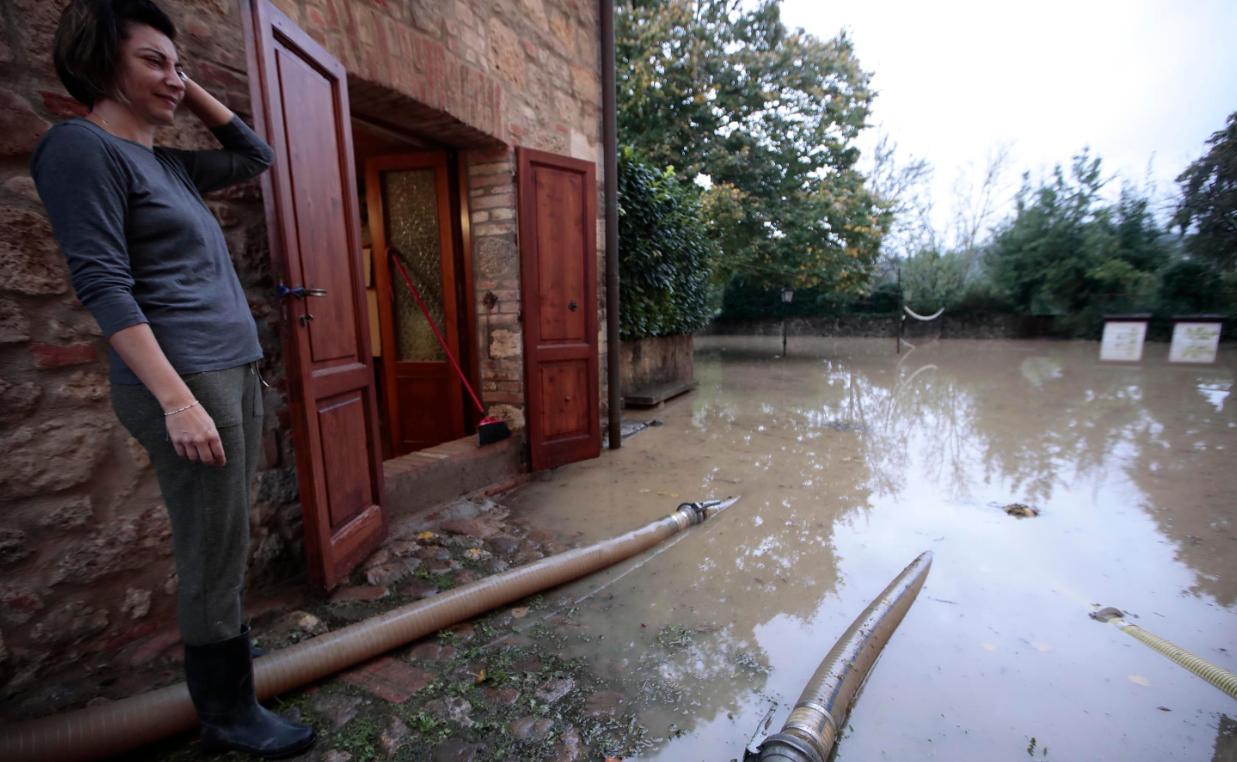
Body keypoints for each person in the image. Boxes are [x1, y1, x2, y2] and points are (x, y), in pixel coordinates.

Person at [31, 1, 315, 757]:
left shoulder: (167, 164)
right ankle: (227, 714)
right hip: (185, 380)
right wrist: (177, 398)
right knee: (211, 549)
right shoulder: (80, 149)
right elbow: (103, 283)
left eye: (178, 62)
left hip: (229, 371)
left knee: (225, 541)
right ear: (101, 66)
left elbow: (256, 154)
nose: (174, 76)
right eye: (154, 61)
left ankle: (229, 697)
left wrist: (187, 90)